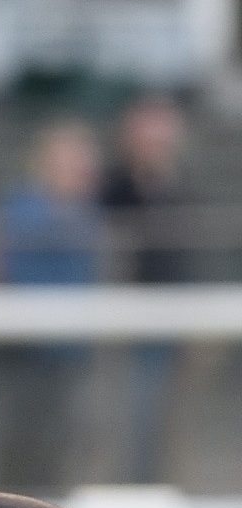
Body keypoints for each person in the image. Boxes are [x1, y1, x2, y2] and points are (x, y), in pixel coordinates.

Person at [0, 120, 106, 496]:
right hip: (27, 350)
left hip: (70, 352)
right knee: (21, 445)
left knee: (64, 446)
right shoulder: (26, 208)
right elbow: (20, 265)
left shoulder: (87, 212)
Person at [100, 93, 194, 483]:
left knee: (165, 418)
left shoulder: (181, 186)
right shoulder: (113, 185)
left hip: (171, 317)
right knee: (126, 413)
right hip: (125, 320)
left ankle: (156, 482)